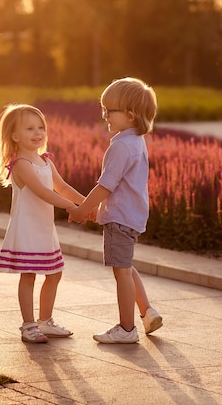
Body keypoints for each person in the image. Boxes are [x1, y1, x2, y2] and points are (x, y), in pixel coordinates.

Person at [68, 77, 163, 344]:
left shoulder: (120, 145)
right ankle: (147, 312)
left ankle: (126, 328)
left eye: (109, 110)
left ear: (130, 115)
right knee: (126, 266)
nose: (105, 115)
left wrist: (81, 210)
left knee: (120, 272)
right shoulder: (135, 141)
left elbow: (105, 185)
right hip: (132, 216)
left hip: (119, 217)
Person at [0, 104, 85, 343]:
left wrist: (87, 204)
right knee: (29, 274)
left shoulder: (44, 161)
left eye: (41, 127)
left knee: (55, 273)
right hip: (27, 228)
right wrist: (70, 207)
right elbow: (42, 192)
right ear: (14, 136)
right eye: (30, 128)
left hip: (44, 229)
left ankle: (45, 321)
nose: (37, 132)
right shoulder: (21, 163)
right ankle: (28, 325)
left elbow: (61, 187)